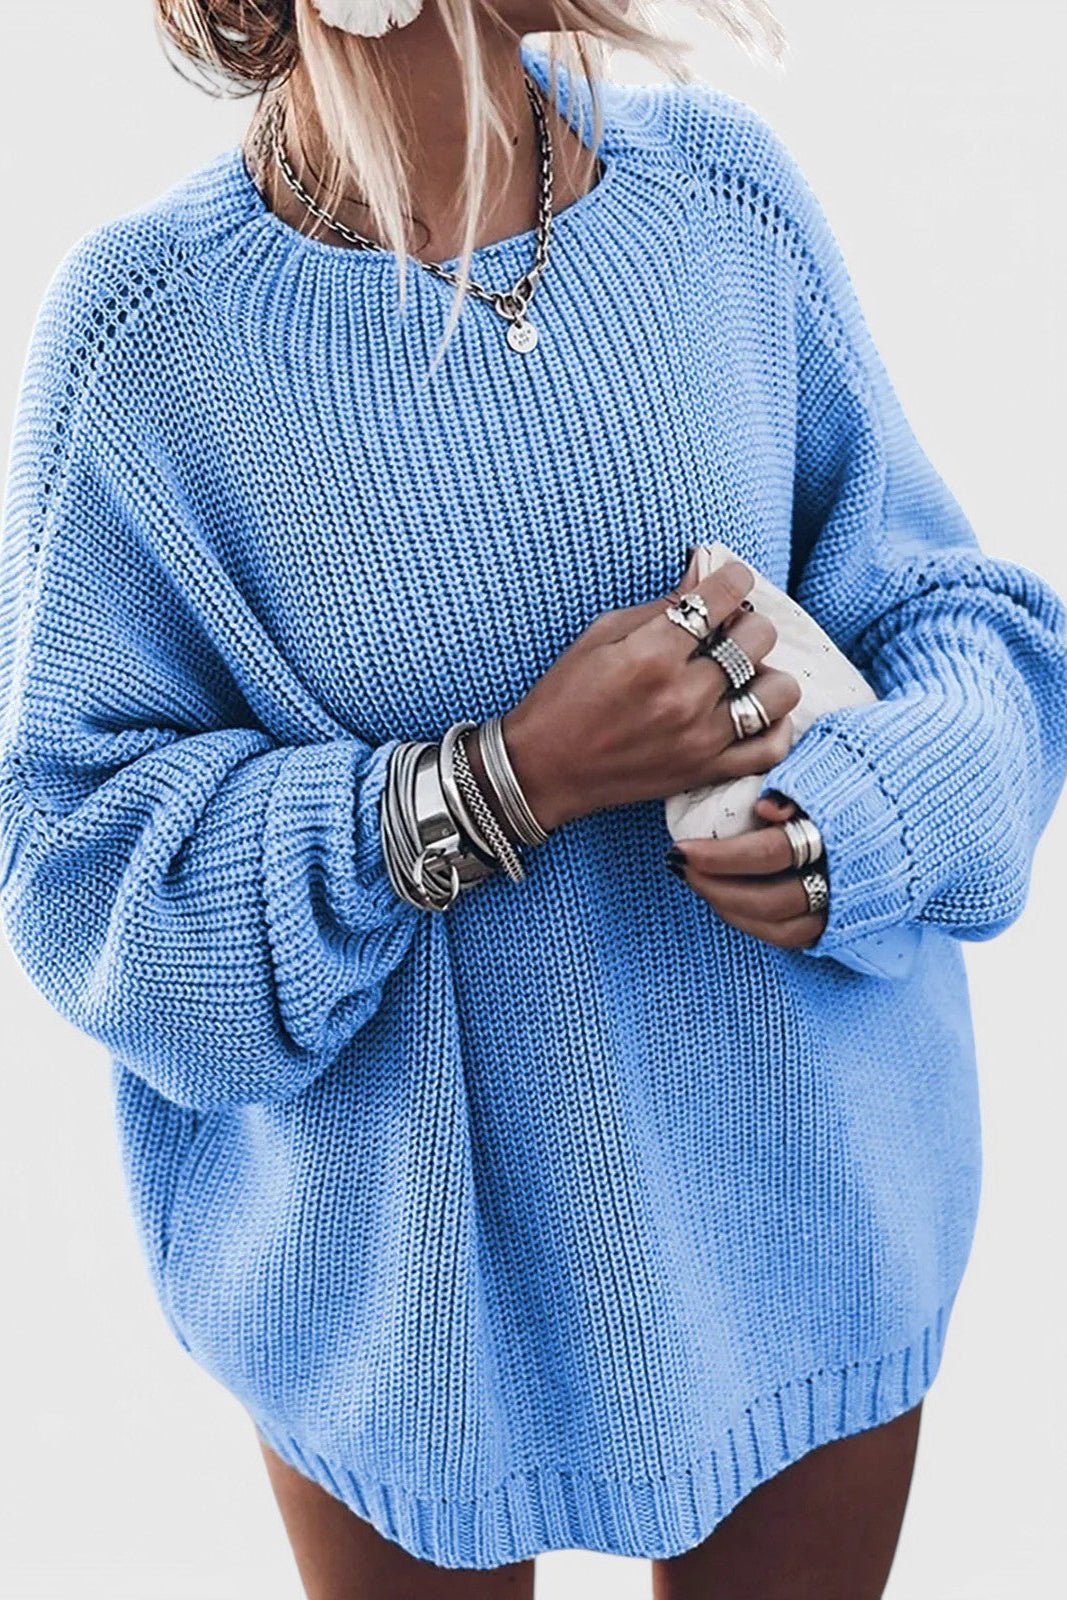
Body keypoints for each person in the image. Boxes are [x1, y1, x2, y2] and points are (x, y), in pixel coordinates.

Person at [2, 2, 1065, 1597]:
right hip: (406, 1326)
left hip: (811, 1224)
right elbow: (78, 872)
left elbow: (959, 627)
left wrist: (872, 818)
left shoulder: (720, 199)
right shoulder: (148, 343)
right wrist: (505, 780)